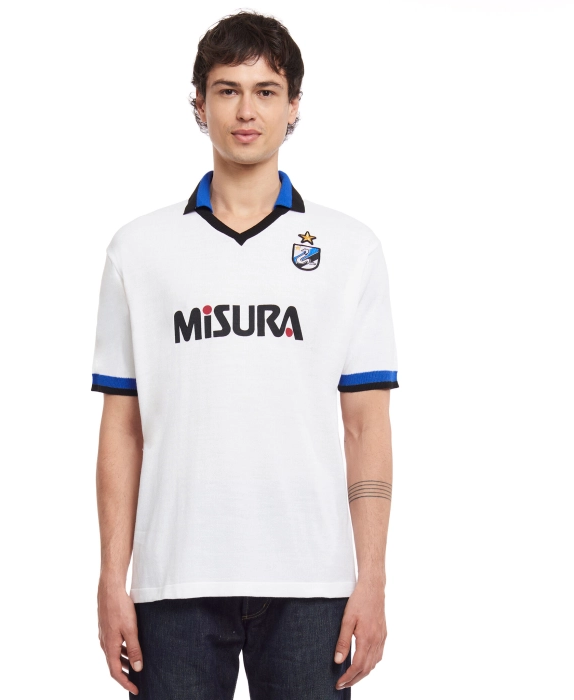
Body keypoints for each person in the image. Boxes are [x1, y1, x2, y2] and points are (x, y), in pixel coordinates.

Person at [91, 10, 399, 699]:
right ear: (199, 105)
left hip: (312, 582)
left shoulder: (350, 249)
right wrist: (112, 577)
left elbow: (366, 427)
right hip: (174, 580)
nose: (246, 110)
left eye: (266, 91)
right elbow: (122, 427)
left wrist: (373, 576)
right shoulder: (138, 250)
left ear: (295, 106)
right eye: (227, 90)